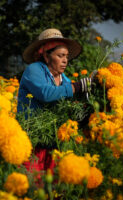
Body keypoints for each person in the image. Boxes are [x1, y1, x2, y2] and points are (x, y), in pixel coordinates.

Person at [17, 28, 96, 176]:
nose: (65, 60)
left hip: (53, 144)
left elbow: (70, 105)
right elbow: (46, 94)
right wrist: (77, 86)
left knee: (53, 189)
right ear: (46, 56)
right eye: (60, 56)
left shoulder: (64, 79)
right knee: (31, 187)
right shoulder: (34, 70)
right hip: (31, 140)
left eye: (66, 56)